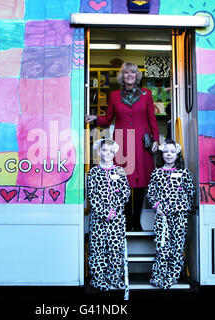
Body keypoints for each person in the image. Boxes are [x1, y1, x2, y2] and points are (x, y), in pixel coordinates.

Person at [86, 62, 159, 231]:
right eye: (126, 73)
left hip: (141, 141)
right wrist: (95, 118)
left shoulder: (146, 94)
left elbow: (152, 118)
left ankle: (136, 221)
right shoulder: (114, 96)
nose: (130, 75)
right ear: (122, 77)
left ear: (137, 75)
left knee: (141, 181)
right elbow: (107, 118)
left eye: (132, 72)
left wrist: (155, 139)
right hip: (122, 141)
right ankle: (125, 220)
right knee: (122, 181)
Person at [146, 139, 195, 289]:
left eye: (172, 152)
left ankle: (172, 277)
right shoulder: (157, 173)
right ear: (162, 153)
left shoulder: (184, 173)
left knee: (177, 246)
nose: (169, 154)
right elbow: (150, 193)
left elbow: (190, 193)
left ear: (177, 154)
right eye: (166, 151)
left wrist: (181, 207)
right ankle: (159, 275)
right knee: (162, 246)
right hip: (162, 217)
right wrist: (157, 206)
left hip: (179, 217)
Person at [87, 138, 131, 291]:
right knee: (98, 248)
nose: (107, 153)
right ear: (99, 151)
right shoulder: (93, 173)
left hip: (117, 219)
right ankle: (98, 279)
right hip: (99, 220)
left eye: (110, 151)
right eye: (104, 150)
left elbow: (125, 193)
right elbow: (92, 197)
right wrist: (105, 212)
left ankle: (114, 278)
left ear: (114, 153)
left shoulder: (120, 171)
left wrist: (114, 210)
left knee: (115, 248)